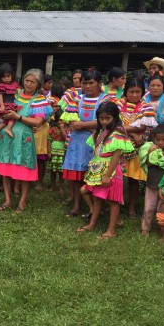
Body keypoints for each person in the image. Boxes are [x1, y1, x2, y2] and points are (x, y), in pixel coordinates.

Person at [0, 68, 51, 212]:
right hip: (7, 136)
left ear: (38, 84)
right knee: (6, 168)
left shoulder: (40, 99)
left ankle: (22, 201)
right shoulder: (15, 93)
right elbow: (1, 108)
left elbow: (38, 122)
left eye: (33, 82)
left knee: (24, 171)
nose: (29, 84)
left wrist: (18, 117)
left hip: (25, 138)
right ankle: (7, 200)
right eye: (26, 80)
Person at [61, 70, 113, 217]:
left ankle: (97, 207)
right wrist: (91, 125)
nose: (88, 86)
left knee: (96, 176)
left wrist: (82, 125)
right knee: (77, 177)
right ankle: (77, 206)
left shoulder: (107, 99)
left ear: (100, 84)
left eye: (91, 83)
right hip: (77, 143)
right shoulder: (78, 99)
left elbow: (108, 122)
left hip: (98, 142)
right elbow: (71, 121)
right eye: (85, 83)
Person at [78, 102, 134, 238]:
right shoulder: (102, 131)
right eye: (101, 118)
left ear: (114, 117)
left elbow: (116, 157)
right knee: (97, 198)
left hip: (111, 171)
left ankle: (111, 231)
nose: (104, 121)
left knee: (114, 201)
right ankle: (92, 225)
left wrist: (107, 175)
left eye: (107, 118)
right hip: (99, 169)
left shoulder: (118, 133)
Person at [115, 77, 157, 218]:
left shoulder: (147, 107)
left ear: (142, 92)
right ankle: (116, 202)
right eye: (131, 91)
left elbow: (142, 126)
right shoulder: (117, 104)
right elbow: (112, 124)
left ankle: (132, 206)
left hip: (137, 147)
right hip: (118, 145)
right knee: (117, 176)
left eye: (138, 92)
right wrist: (132, 133)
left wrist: (127, 130)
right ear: (126, 91)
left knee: (133, 178)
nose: (134, 95)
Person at [139, 124, 164, 235]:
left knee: (162, 207)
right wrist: (150, 152)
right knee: (149, 207)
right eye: (157, 139)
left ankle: (162, 227)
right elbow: (148, 164)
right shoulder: (150, 149)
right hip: (152, 184)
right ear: (153, 138)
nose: (160, 142)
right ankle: (145, 228)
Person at [0, 64, 19, 140]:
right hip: (6, 105)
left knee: (6, 120)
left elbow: (17, 93)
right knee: (13, 117)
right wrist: (2, 105)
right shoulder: (2, 86)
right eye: (4, 77)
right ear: (0, 78)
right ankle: (8, 129)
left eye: (8, 76)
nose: (6, 78)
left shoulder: (14, 84)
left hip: (11, 104)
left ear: (12, 75)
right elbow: (0, 96)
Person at [47, 108, 67, 192]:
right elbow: (49, 140)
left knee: (61, 171)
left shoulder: (66, 129)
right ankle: (52, 186)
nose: (60, 122)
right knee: (53, 171)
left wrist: (62, 129)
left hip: (62, 153)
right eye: (59, 120)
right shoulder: (52, 129)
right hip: (53, 152)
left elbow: (65, 138)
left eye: (62, 120)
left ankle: (61, 187)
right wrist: (49, 151)